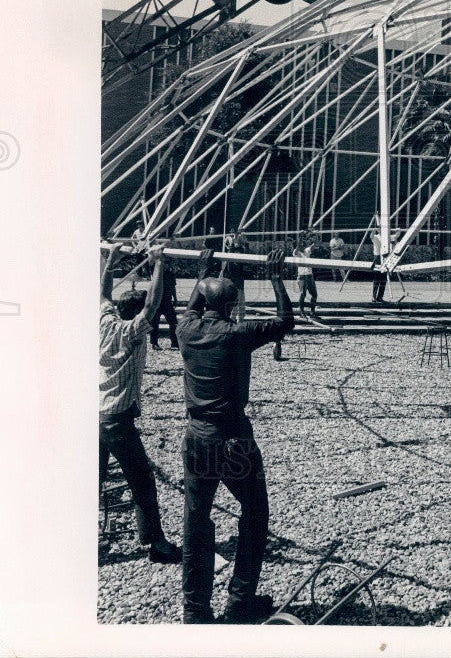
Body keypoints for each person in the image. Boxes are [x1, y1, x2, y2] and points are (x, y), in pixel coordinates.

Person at [177, 248, 296, 624]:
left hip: (197, 436)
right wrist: (276, 277)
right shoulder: (237, 334)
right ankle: (239, 600)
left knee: (196, 521)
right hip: (233, 439)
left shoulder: (186, 331)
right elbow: (284, 321)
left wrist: (203, 271)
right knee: (255, 513)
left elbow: (196, 305)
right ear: (232, 306)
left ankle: (195, 610)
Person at [99, 242, 182, 563]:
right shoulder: (133, 331)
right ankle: (156, 543)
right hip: (116, 419)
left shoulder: (105, 321)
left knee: (95, 478)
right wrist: (159, 263)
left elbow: (102, 295)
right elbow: (152, 305)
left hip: (96, 412)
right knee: (142, 479)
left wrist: (111, 262)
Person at [149, 245, 179, 350]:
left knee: (173, 322)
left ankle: (175, 343)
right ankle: (154, 343)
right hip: (157, 301)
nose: (166, 265)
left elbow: (173, 287)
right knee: (154, 322)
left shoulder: (171, 274)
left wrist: (175, 298)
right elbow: (150, 261)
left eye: (167, 263)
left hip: (167, 300)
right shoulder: (156, 273)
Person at [221, 230, 248, 323]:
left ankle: (234, 321)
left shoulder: (236, 252)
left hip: (236, 281)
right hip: (236, 282)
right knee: (238, 304)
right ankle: (235, 321)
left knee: (237, 305)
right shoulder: (236, 252)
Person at [293, 233, 317, 318]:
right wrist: (299, 242)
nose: (303, 247)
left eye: (304, 245)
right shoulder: (296, 253)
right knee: (303, 294)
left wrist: (315, 237)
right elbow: (296, 251)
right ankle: (301, 311)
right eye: (301, 245)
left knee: (314, 294)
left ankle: (312, 312)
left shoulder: (307, 250)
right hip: (302, 276)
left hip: (309, 275)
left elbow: (314, 245)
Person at [371, 226, 387, 303]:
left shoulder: (387, 237)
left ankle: (380, 297)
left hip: (385, 258)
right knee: (376, 278)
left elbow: (396, 236)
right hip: (377, 257)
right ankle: (374, 297)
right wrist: (373, 230)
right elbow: (371, 236)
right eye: (379, 228)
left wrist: (398, 231)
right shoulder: (376, 237)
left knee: (384, 279)